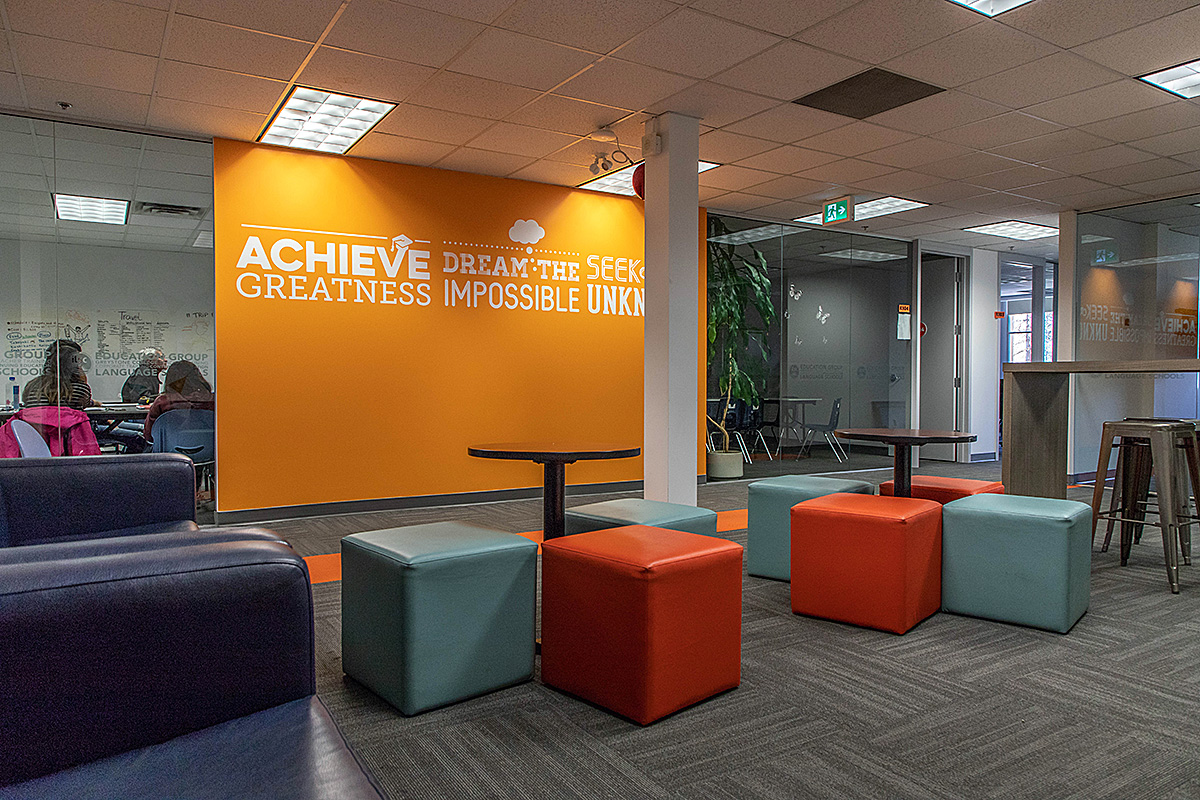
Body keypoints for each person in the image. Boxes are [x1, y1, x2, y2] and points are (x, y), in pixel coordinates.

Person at [144, 360, 215, 444]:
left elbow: (149, 435)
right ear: (197, 378)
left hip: (170, 450)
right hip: (209, 449)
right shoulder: (212, 400)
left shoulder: (162, 402)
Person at [21, 340, 93, 409]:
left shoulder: (32, 386)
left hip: (39, 418)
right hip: (66, 418)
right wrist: (81, 377)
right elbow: (84, 403)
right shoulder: (80, 389)